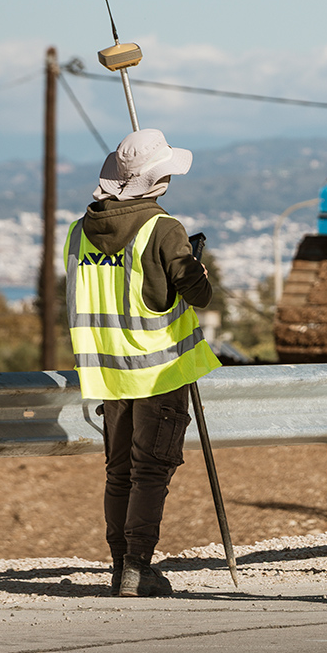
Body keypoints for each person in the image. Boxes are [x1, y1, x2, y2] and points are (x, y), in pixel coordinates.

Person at [65, 129, 220, 597]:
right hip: (159, 369)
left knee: (119, 471)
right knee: (151, 470)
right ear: (157, 180)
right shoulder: (163, 228)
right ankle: (137, 568)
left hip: (106, 372)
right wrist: (196, 266)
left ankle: (119, 566)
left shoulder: (78, 232)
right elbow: (200, 294)